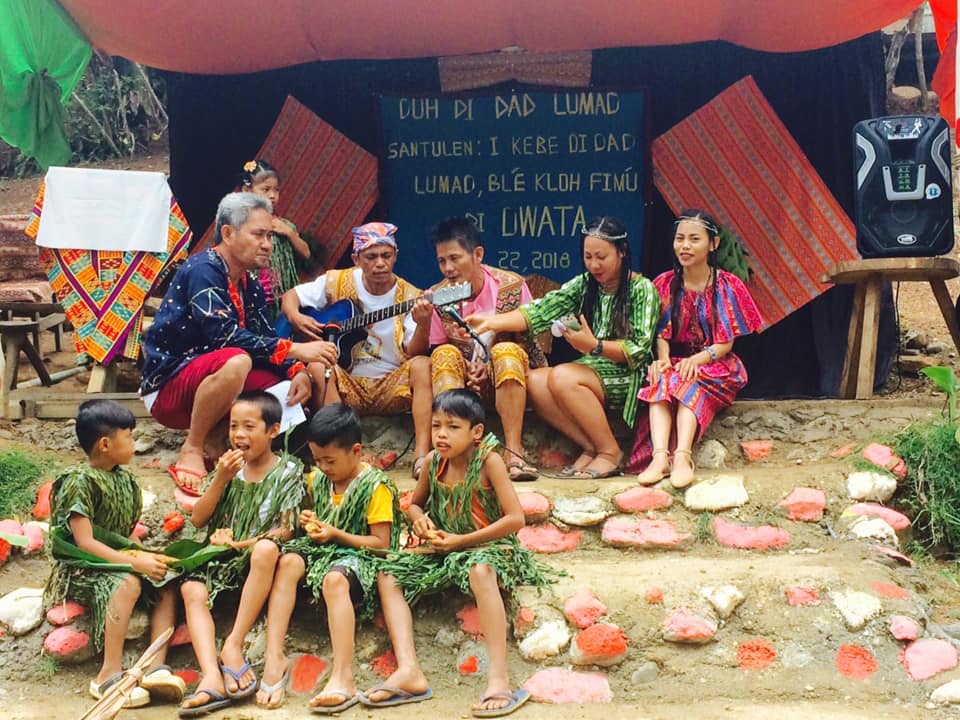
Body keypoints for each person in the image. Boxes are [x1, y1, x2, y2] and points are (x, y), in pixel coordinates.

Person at [364, 389, 554, 718]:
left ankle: (499, 680)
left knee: (480, 570)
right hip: (445, 549)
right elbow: (416, 504)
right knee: (388, 572)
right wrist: (420, 520)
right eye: (436, 425)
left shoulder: (490, 461)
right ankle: (409, 671)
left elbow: (515, 519)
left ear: (476, 432)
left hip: (491, 547)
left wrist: (462, 541)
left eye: (452, 427)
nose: (441, 434)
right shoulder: (434, 462)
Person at [140, 192, 336, 495]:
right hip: (170, 388)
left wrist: (297, 368)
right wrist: (296, 349)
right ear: (228, 233)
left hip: (221, 377)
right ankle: (192, 447)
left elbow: (265, 337)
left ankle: (229, 444)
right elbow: (224, 337)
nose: (267, 244)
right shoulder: (202, 269)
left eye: (270, 236)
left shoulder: (249, 281)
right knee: (238, 360)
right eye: (258, 234)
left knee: (301, 377)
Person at [468, 217, 659, 479]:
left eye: (601, 256)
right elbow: (538, 312)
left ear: (622, 252)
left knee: (562, 376)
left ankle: (609, 451)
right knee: (534, 380)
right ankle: (590, 446)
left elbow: (639, 350)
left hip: (630, 374)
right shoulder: (583, 284)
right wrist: (490, 321)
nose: (594, 264)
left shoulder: (642, 289)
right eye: (588, 256)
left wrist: (594, 345)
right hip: (593, 369)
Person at [255, 403, 399, 711]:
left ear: (356, 450)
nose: (323, 466)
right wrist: (310, 523)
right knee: (289, 562)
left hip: (360, 558)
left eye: (330, 460)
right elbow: (308, 522)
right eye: (317, 459)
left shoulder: (375, 487)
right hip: (323, 552)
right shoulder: (316, 480)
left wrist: (335, 534)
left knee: (334, 581)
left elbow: (381, 544)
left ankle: (342, 674)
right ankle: (273, 656)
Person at [46, 400, 185, 708]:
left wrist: (147, 557)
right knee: (129, 583)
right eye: (130, 437)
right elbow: (85, 543)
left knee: (167, 579)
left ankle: (153, 667)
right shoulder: (79, 481)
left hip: (115, 557)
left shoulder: (124, 479)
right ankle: (107, 674)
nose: (135, 444)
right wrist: (136, 562)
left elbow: (124, 534)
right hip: (82, 567)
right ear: (106, 444)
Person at [178, 392, 305, 717]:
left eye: (249, 426)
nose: (238, 435)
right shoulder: (226, 468)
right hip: (224, 563)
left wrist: (242, 544)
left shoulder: (288, 471)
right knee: (191, 589)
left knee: (265, 549)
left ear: (273, 431)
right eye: (234, 426)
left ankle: (233, 643)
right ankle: (210, 675)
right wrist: (218, 479)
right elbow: (198, 519)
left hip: (259, 559)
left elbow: (287, 530)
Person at [280, 222, 434, 475]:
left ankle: (421, 458)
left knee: (422, 365)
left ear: (395, 256)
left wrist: (424, 324)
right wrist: (296, 318)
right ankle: (345, 455)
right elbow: (291, 297)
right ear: (356, 258)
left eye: (386, 255)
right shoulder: (336, 281)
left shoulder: (410, 295)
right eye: (371, 257)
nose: (380, 263)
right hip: (347, 382)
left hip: (390, 385)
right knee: (318, 365)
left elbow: (414, 350)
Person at [635, 210, 763, 488]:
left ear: (712, 244)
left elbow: (726, 342)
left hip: (716, 363)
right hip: (680, 360)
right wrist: (664, 359)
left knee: (685, 380)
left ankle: (682, 457)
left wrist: (698, 359)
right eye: (680, 238)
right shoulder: (665, 283)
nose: (685, 246)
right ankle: (659, 459)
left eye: (694, 239)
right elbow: (661, 333)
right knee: (663, 378)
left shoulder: (727, 285)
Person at [428, 217, 547, 482]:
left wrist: (490, 362)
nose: (448, 268)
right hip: (462, 386)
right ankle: (454, 455)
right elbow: (438, 347)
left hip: (507, 379)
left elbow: (529, 342)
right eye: (441, 261)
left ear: (478, 254)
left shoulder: (511, 286)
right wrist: (468, 369)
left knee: (507, 350)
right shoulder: (437, 296)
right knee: (443, 355)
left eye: (455, 258)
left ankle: (514, 453)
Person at [238, 159, 315, 319]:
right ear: (247, 190)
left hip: (283, 300)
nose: (272, 195)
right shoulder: (238, 225)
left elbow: (306, 254)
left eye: (276, 190)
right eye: (265, 189)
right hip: (251, 302)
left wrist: (290, 234)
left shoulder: (284, 225)